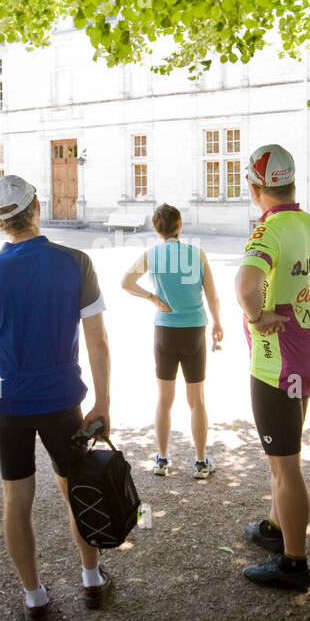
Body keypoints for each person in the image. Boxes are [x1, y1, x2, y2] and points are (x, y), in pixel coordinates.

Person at [0, 175, 113, 621]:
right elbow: (98, 341)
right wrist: (102, 403)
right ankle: (90, 578)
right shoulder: (76, 262)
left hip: (8, 399)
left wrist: (4, 340)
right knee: (75, 489)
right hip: (62, 397)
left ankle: (34, 597)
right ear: (37, 207)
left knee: (16, 497)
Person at [236, 144, 310, 592]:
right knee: (286, 451)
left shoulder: (267, 231)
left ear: (256, 189)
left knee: (284, 467)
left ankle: (294, 563)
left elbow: (246, 284)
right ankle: (275, 528)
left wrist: (256, 318)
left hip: (276, 364)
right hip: (308, 350)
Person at [120, 203, 224, 479]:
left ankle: (162, 460)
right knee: (197, 400)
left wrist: (152, 298)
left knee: (164, 400)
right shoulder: (197, 254)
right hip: (194, 331)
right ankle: (200, 462)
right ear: (179, 225)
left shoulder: (151, 255)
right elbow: (213, 296)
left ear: (156, 228)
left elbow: (126, 282)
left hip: (164, 331)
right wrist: (218, 323)